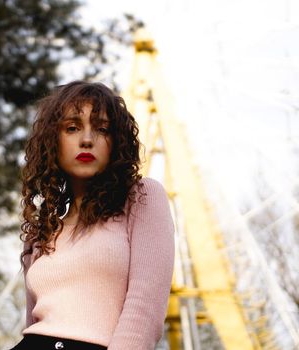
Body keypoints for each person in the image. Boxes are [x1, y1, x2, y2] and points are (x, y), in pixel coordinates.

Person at [10, 81, 175, 350]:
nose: (87, 139)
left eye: (101, 129)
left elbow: (145, 311)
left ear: (116, 142)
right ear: (54, 140)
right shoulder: (41, 230)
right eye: (72, 128)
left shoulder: (142, 199)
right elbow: (32, 321)